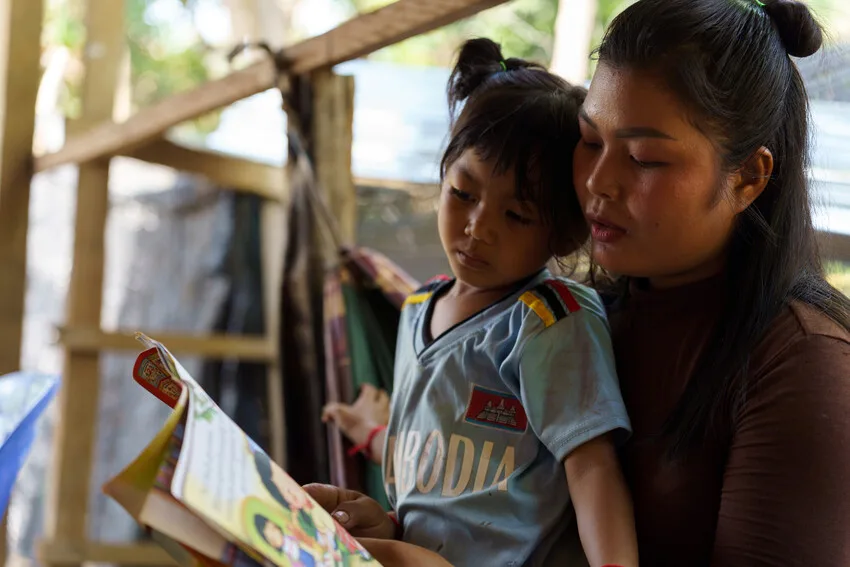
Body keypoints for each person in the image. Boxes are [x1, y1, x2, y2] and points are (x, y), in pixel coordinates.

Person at [309, 0, 850, 565]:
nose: (597, 180)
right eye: (590, 141)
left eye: (642, 157)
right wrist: (402, 530)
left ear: (748, 177)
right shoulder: (568, 317)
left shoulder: (801, 365)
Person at [323, 37, 637, 567]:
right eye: (463, 194)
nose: (477, 228)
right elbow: (435, 456)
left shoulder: (548, 320)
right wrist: (372, 435)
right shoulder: (417, 308)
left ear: (562, 234)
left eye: (515, 216)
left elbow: (591, 468)